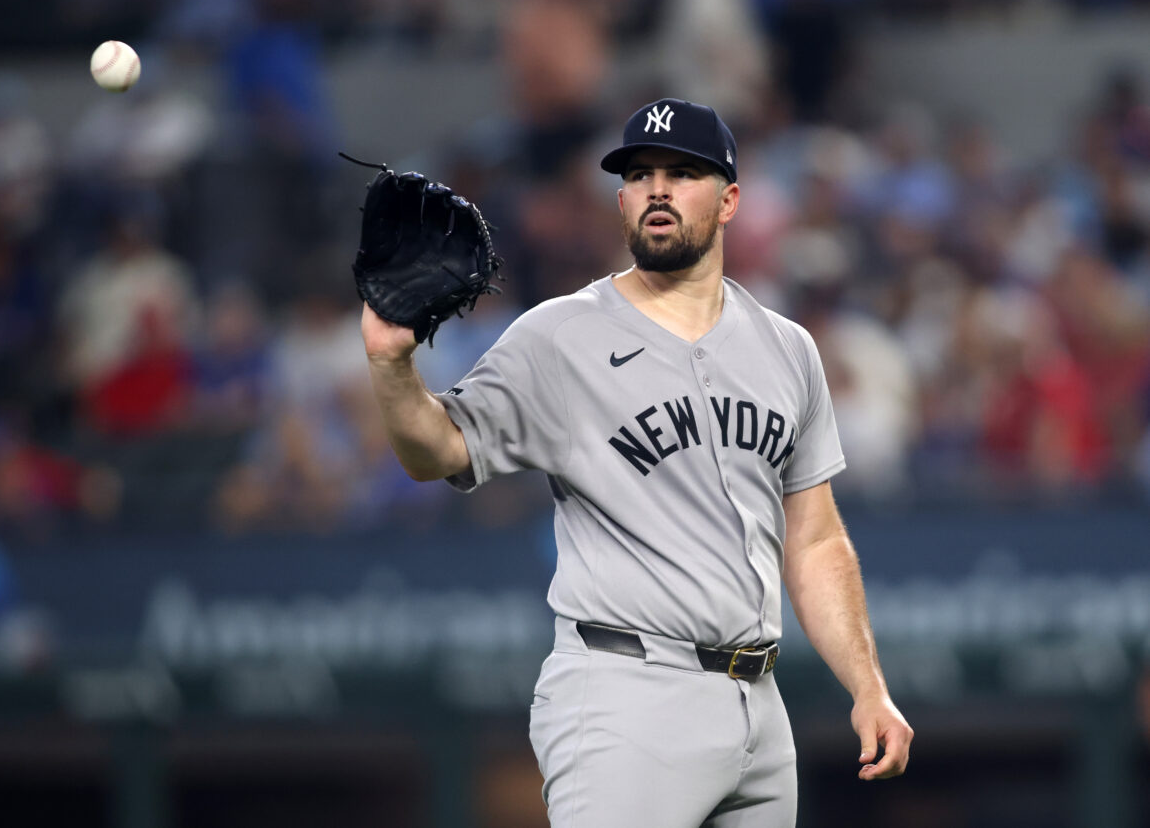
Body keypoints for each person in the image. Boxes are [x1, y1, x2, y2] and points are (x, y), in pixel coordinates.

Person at [360, 97, 913, 827]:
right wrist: (392, 365)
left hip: (761, 706)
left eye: (683, 173)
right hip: (625, 693)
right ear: (621, 199)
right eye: (640, 174)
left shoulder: (788, 349)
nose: (658, 188)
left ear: (730, 200)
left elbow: (813, 538)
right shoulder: (559, 336)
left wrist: (868, 687)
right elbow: (438, 452)